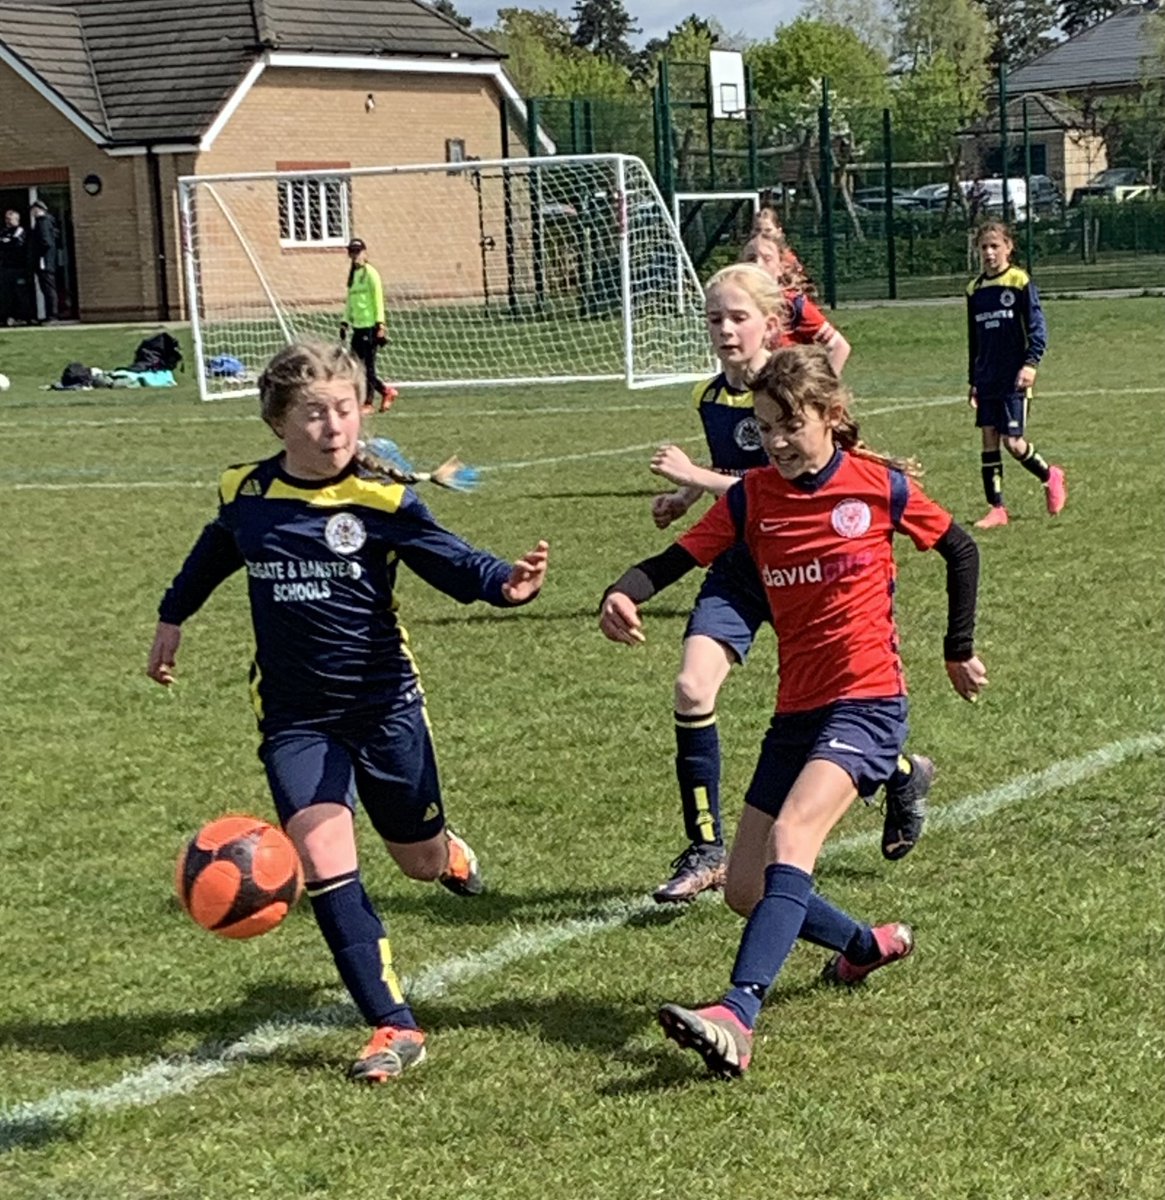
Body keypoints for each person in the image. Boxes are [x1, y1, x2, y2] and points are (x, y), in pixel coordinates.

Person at [146, 339, 549, 1083]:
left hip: (384, 707)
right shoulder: (246, 495)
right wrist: (173, 617)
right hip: (298, 720)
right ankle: (392, 1026)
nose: (333, 427)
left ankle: (445, 849)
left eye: (343, 409)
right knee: (329, 865)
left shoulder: (382, 500)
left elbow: (449, 558)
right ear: (277, 423)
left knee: (418, 862)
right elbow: (214, 551)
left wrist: (505, 583)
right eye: (312, 413)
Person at [600, 344, 986, 1077]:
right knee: (744, 890)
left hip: (868, 705)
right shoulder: (750, 498)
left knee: (794, 840)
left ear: (831, 420)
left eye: (790, 425)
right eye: (765, 427)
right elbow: (673, 561)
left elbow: (959, 547)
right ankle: (862, 946)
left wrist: (954, 649)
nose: (775, 441)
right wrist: (621, 592)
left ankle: (736, 1014)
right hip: (796, 712)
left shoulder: (877, 488)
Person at [646, 266, 934, 907]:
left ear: (770, 324)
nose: (724, 329)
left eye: (737, 317)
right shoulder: (712, 398)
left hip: (812, 566)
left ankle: (898, 770)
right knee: (692, 685)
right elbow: (738, 482)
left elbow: (785, 489)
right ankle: (705, 846)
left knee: (828, 700)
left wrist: (698, 475)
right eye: (714, 318)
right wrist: (684, 492)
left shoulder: (794, 385)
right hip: (743, 569)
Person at [966, 221, 1066, 529]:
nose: (989, 252)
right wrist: (973, 379)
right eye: (984, 247)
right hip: (987, 377)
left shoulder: (1019, 282)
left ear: (1009, 247)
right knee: (988, 439)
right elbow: (975, 339)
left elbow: (1037, 327)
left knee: (1013, 442)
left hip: (1014, 377)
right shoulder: (975, 290)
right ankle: (996, 508)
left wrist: (1031, 363)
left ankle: (1050, 475)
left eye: (995, 246)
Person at [742, 231, 851, 375]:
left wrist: (821, 390)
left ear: (780, 267)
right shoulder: (736, 306)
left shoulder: (792, 305)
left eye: (767, 258)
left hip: (785, 391)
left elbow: (839, 347)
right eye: (751, 258)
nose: (758, 264)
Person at [339, 237, 397, 414]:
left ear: (365, 253)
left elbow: (378, 299)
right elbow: (350, 301)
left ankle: (368, 402)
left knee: (368, 367)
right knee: (355, 366)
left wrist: (381, 325)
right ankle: (386, 391)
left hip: (370, 327)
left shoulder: (371, 273)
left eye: (358, 252)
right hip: (358, 327)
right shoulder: (353, 276)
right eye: (352, 252)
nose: (355, 255)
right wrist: (344, 321)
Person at [29, 200, 59, 323]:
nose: (32, 213)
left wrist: (39, 255)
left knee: (48, 288)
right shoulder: (48, 222)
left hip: (44, 261)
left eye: (33, 210)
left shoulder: (42, 222)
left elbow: (45, 242)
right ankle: (50, 315)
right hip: (47, 260)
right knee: (47, 288)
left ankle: (52, 315)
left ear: (38, 209)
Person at [0, 209, 31, 326]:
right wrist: (6, 242)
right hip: (5, 268)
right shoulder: (3, 231)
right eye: (6, 219)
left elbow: (17, 244)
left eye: (10, 219)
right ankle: (6, 317)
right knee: (6, 294)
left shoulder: (20, 230)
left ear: (16, 219)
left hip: (19, 268)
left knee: (21, 293)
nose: (7, 221)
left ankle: (24, 317)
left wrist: (6, 242)